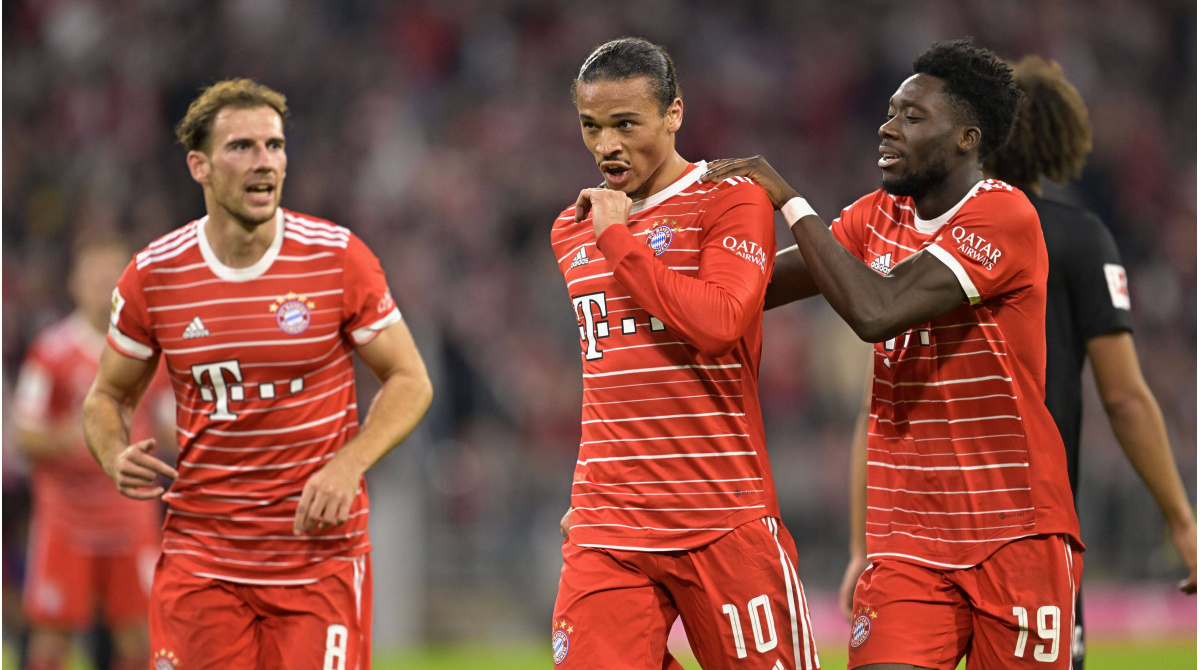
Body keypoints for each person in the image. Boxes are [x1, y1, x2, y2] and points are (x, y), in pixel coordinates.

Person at [703, 39, 1083, 669]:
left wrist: (789, 202)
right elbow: (754, 289)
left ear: (967, 138)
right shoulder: (877, 216)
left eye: (912, 117)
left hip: (1016, 530)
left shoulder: (1003, 216)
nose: (887, 127)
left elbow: (876, 311)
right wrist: (655, 260)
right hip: (908, 540)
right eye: (889, 112)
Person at [81, 78, 434, 670]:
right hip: (203, 563)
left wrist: (349, 463)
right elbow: (105, 397)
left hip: (317, 559)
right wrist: (113, 453)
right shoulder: (154, 275)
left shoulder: (337, 257)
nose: (264, 161)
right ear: (200, 165)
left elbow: (410, 379)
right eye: (242, 147)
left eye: (274, 145)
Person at [552, 38, 819, 670]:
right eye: (591, 126)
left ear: (674, 114)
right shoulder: (571, 229)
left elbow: (720, 322)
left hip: (721, 516)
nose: (606, 146)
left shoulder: (730, 198)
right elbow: (615, 370)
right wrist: (591, 488)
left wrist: (617, 237)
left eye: (626, 124)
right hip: (608, 523)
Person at [981, 55, 1195, 668]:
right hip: (1036, 526)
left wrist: (867, 543)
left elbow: (876, 399)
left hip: (932, 523)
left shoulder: (933, 233)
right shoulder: (1079, 240)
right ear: (1060, 138)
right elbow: (1124, 397)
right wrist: (1182, 518)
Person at [14, 236, 172, 670]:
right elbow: (25, 431)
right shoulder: (51, 352)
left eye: (113, 277)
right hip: (66, 518)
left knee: (138, 635)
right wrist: (76, 437)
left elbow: (170, 425)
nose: (105, 285)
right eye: (96, 275)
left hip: (130, 515)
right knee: (51, 635)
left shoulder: (149, 354)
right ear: (75, 282)